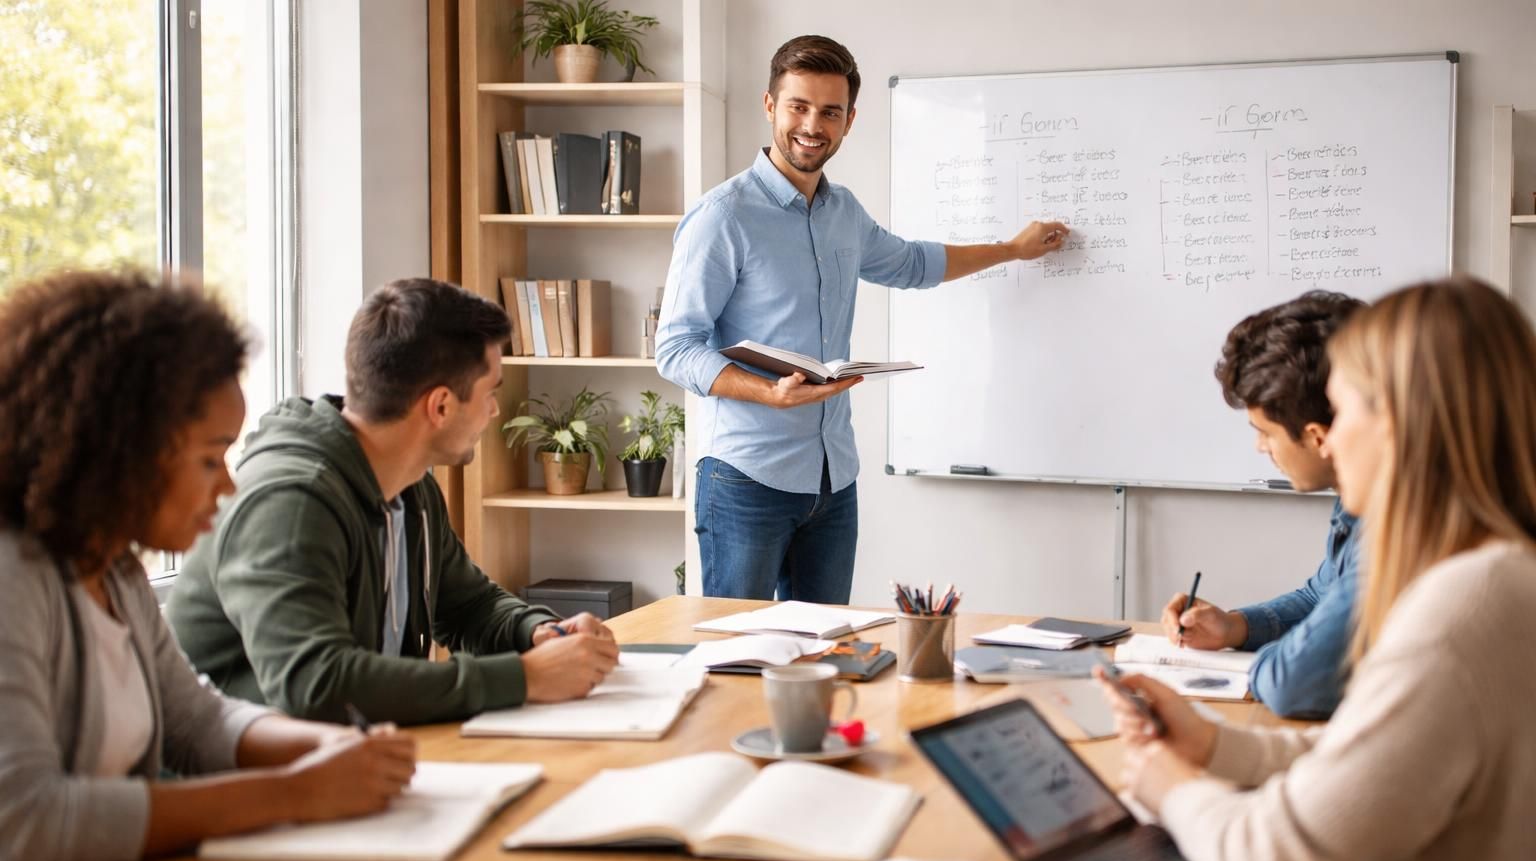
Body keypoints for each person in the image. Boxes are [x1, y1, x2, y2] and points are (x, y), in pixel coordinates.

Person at [1101, 277, 1536, 861]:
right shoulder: (1495, 571)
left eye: (1347, 405)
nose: (1329, 434)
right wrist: (1212, 745)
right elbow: (1377, 762)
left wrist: (1171, 786)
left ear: (1397, 423)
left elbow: (1280, 860)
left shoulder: (1460, 612)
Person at [0, 269, 418, 861]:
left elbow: (193, 719)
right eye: (207, 457)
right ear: (116, 449)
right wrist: (292, 794)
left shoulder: (111, 568)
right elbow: (23, 821)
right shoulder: (15, 578)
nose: (226, 485)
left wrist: (323, 750)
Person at [656, 35, 1069, 603]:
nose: (812, 125)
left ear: (850, 121)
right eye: (798, 106)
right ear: (770, 105)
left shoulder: (843, 211)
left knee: (824, 656)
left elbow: (912, 263)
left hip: (831, 481)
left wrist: (1011, 249)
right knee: (738, 656)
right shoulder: (723, 217)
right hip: (746, 479)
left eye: (830, 111)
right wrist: (767, 393)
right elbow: (676, 348)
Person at [166, 278, 618, 726]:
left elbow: (467, 606)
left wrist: (535, 632)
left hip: (352, 758)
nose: (494, 412)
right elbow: (315, 685)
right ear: (440, 407)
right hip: (245, 777)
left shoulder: (411, 485)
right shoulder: (291, 503)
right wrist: (522, 678)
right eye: (491, 393)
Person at [1160, 292, 1364, 718]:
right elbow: (1322, 596)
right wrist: (1235, 628)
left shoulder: (1396, 525)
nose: (1259, 447)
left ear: (1316, 436)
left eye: (1265, 432)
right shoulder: (1356, 500)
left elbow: (1297, 684)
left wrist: (1275, 659)